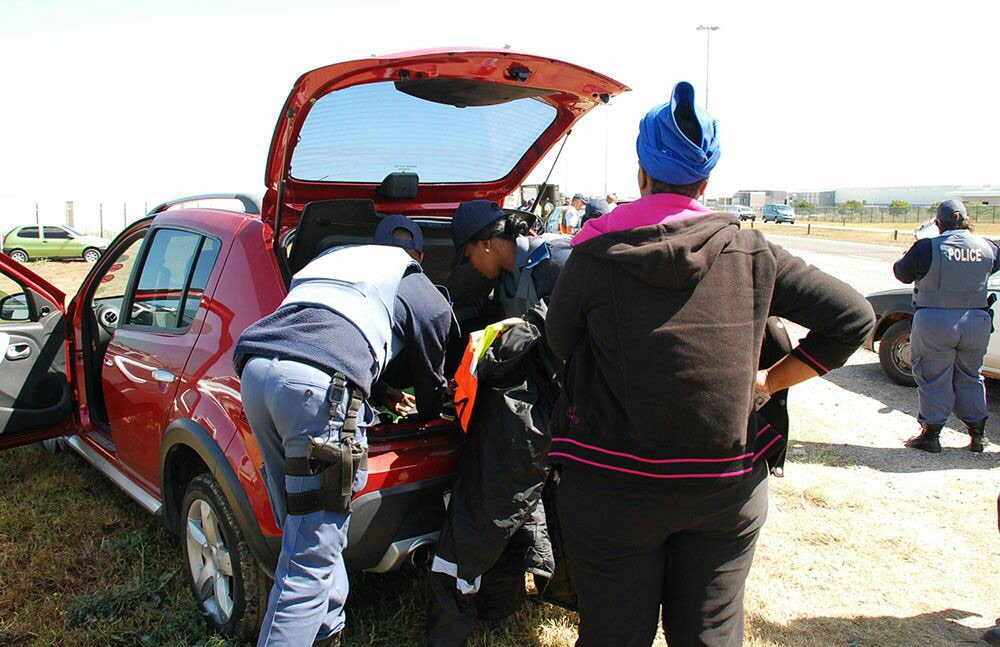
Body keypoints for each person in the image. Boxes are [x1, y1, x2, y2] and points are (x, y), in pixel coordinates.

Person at [545, 81, 874, 647]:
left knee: (613, 634)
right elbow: (854, 317)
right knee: (711, 634)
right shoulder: (752, 252)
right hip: (724, 487)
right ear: (706, 180)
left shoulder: (593, 255)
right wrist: (769, 381)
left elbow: (559, 343)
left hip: (613, 490)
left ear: (640, 173)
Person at [234, 214, 453, 647]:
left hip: (258, 373)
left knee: (304, 527)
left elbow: (320, 328)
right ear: (420, 257)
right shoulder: (412, 278)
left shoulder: (334, 260)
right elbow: (434, 346)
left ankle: (325, 634)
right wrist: (431, 409)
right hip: (314, 391)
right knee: (308, 558)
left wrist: (383, 390)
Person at [425, 200, 572, 645]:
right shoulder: (503, 279)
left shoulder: (559, 264)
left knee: (569, 506)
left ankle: (568, 589)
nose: (469, 263)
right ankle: (511, 590)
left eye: (469, 253)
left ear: (488, 243)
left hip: (568, 410)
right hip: (530, 414)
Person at [893, 199, 999, 453]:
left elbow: (902, 273)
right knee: (971, 376)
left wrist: (920, 243)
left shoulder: (927, 247)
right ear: (967, 220)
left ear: (938, 223)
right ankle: (978, 436)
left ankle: (931, 435)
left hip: (936, 322)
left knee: (933, 376)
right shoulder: (988, 247)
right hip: (976, 321)